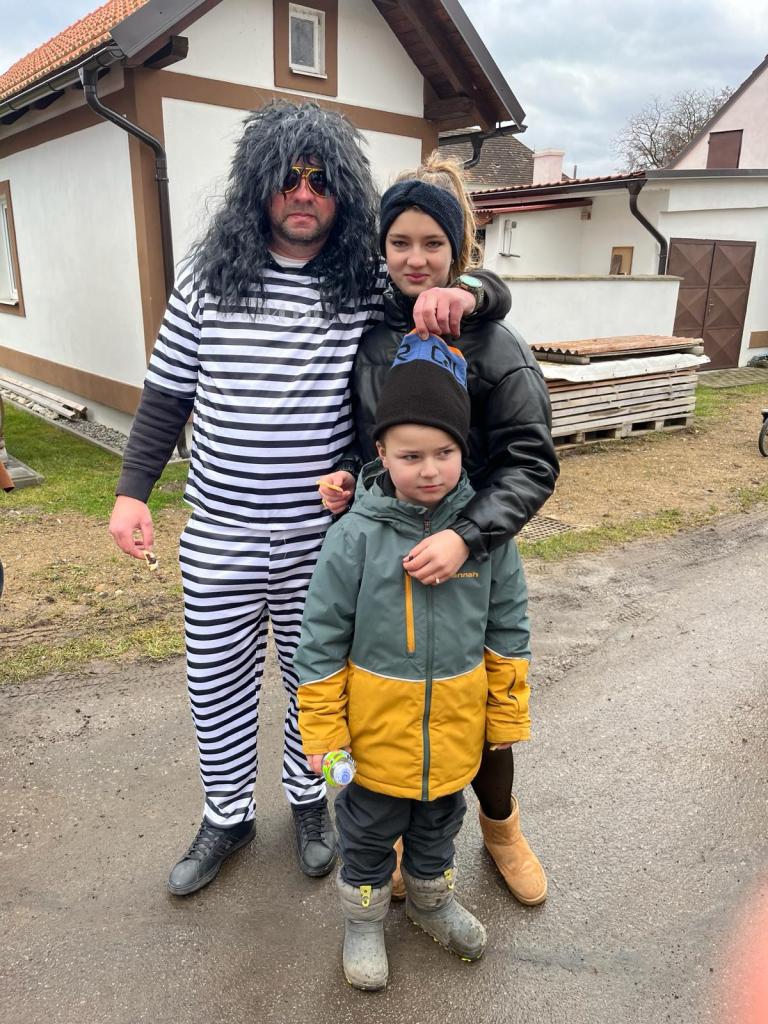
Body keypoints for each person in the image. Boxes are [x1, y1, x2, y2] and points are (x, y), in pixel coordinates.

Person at [108, 101, 512, 896]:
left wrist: (472, 288)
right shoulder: (207, 275)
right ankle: (226, 815)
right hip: (220, 529)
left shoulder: (360, 282)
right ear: (258, 185)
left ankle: (311, 801)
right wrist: (131, 493)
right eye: (288, 179)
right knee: (215, 683)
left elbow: (450, 281)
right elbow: (166, 393)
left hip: (320, 535)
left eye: (320, 180)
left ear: (342, 191)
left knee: (318, 682)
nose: (303, 194)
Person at [330, 154, 560, 906]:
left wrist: (467, 535)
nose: (415, 258)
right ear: (383, 247)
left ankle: (501, 827)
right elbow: (372, 445)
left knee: (484, 703)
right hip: (391, 560)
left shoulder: (497, 346)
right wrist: (349, 480)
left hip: (475, 554)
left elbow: (531, 464)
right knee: (396, 697)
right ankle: (400, 840)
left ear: (458, 250)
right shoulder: (373, 342)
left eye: (433, 243)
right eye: (400, 242)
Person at [294, 335, 533, 990]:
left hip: (454, 733)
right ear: (381, 454)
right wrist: (324, 733)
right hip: (374, 741)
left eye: (444, 453)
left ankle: (431, 903)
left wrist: (504, 713)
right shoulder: (352, 537)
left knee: (438, 828)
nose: (429, 470)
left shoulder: (486, 538)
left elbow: (509, 629)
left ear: (463, 450)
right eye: (410, 456)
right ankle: (364, 922)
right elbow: (319, 642)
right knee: (368, 837)